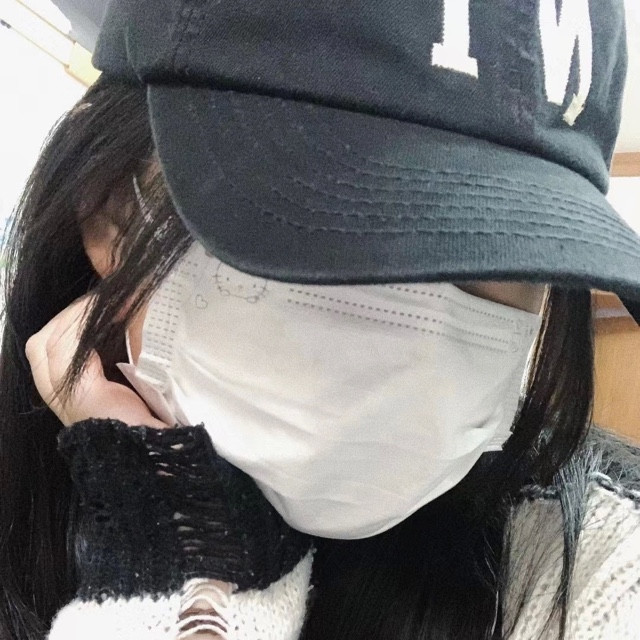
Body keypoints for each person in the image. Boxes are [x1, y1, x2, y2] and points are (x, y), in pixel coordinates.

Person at [1, 0, 640, 638]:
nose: (412, 349)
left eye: (503, 248)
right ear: (111, 209)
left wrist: (187, 571)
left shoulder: (604, 571)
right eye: (338, 215)